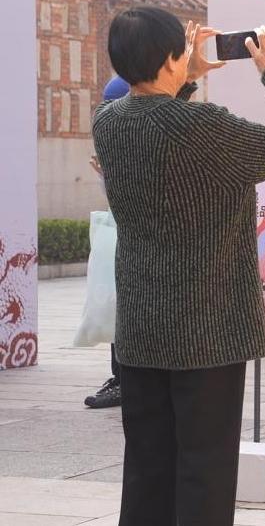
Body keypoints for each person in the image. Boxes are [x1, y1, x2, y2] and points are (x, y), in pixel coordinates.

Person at [92, 6, 265, 526]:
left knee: (147, 468)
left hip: (141, 327)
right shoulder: (205, 126)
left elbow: (161, 126)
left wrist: (186, 75)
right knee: (205, 471)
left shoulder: (108, 122)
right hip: (207, 329)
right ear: (170, 58)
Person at [84, 75, 130, 410]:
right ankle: (122, 378)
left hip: (149, 246)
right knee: (118, 307)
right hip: (125, 239)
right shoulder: (116, 144)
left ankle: (129, 381)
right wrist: (106, 176)